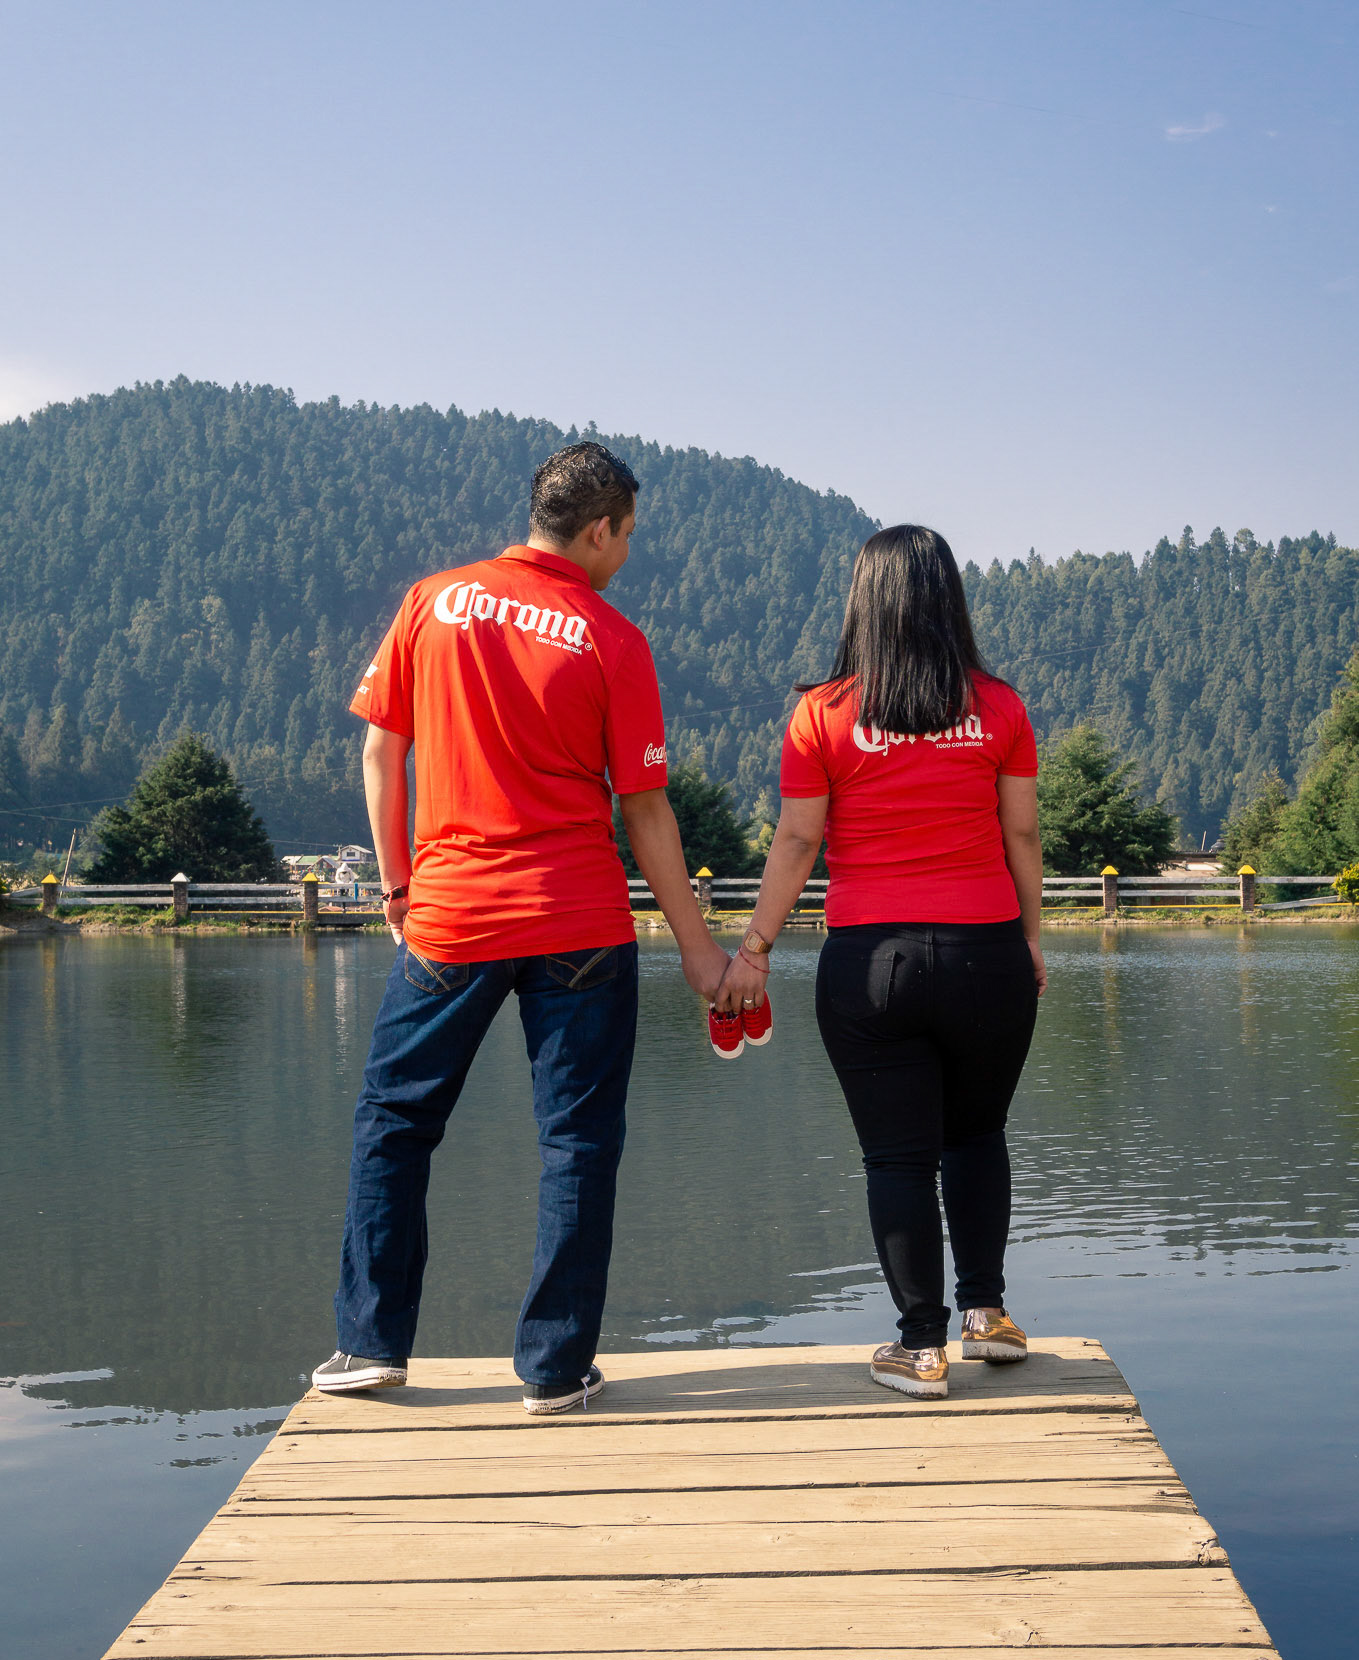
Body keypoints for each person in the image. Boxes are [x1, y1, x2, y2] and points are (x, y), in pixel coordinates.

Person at [312, 441, 729, 1413]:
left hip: (450, 916)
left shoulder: (433, 601)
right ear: (598, 530)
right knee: (577, 1142)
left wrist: (398, 887)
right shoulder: (613, 640)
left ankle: (372, 1346)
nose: (628, 553)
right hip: (579, 920)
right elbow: (646, 811)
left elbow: (383, 753)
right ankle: (552, 1367)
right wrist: (700, 950)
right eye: (627, 536)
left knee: (395, 1125)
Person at [714, 524, 1045, 1399]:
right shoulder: (1000, 707)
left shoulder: (821, 711)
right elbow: (1020, 833)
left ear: (862, 602)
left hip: (871, 961)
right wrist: (1032, 940)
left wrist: (752, 950)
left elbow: (795, 839)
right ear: (948, 599)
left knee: (897, 1160)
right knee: (977, 1134)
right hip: (987, 953)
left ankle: (919, 1347)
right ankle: (987, 1316)